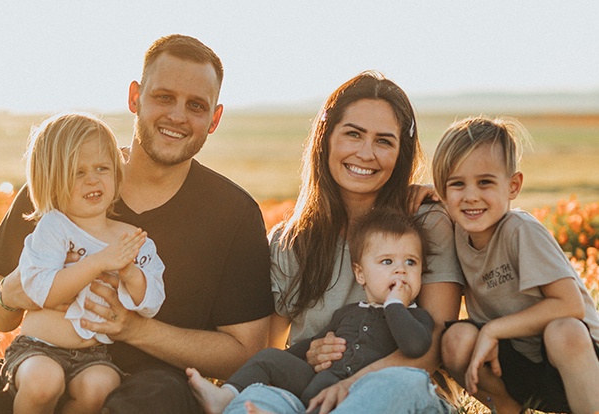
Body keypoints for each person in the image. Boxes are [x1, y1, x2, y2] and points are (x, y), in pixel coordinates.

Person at [0, 34, 274, 414]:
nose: (178, 116)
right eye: (164, 97)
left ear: (214, 119)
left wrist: (135, 329)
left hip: (149, 389)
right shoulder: (62, 184)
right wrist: (9, 294)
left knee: (153, 399)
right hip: (39, 370)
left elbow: (244, 352)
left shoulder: (234, 214)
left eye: (196, 105)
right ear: (135, 96)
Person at [225, 71, 464, 414]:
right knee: (256, 400)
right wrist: (307, 354)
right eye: (353, 134)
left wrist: (347, 387)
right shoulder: (288, 241)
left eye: (384, 141)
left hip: (395, 391)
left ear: (401, 153)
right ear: (327, 139)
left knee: (398, 386)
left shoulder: (426, 224)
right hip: (311, 390)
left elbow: (431, 349)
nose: (366, 153)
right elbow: (270, 349)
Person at [187, 210, 435, 412]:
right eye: (387, 262)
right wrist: (294, 360)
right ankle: (226, 396)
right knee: (269, 358)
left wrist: (395, 305)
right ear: (360, 273)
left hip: (362, 396)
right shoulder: (347, 313)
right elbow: (311, 345)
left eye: (410, 262)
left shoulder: (417, 317)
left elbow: (414, 346)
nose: (400, 270)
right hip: (317, 383)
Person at [432, 116, 599, 413]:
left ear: (513, 186)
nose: (471, 196)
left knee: (564, 331)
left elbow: (570, 305)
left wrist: (493, 329)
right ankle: (509, 410)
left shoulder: (520, 230)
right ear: (443, 192)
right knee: (455, 339)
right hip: (520, 364)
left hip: (579, 362)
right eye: (457, 184)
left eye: (485, 182)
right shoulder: (454, 230)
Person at [1, 112, 166, 413]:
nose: (92, 179)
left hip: (92, 355)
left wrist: (130, 273)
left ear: (117, 174)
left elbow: (151, 302)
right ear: (51, 181)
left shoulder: (130, 237)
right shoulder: (53, 228)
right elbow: (43, 292)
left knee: (100, 387)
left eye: (102, 168)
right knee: (43, 383)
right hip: (38, 347)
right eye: (77, 172)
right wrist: (100, 262)